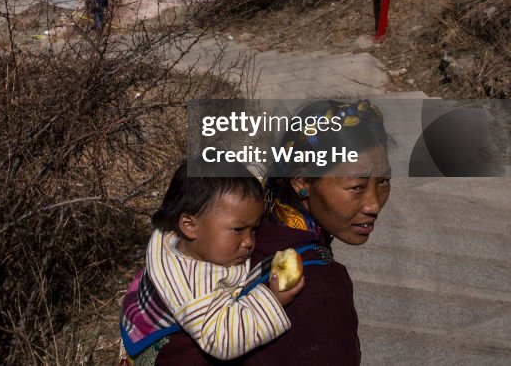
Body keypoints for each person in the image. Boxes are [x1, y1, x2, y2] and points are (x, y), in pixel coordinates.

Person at [152, 99, 392, 365]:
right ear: (302, 182)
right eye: (357, 187)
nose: (374, 205)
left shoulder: (236, 227)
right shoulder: (322, 290)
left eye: (383, 182)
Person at [119, 163, 305, 364]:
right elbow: (221, 339)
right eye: (238, 229)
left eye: (254, 229)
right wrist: (273, 300)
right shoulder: (190, 284)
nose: (249, 241)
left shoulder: (185, 241)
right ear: (190, 226)